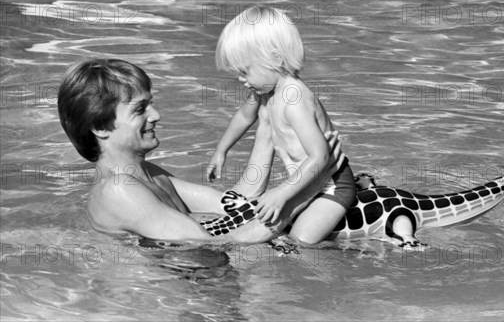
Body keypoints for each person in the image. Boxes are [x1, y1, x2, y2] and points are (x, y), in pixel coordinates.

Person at [57, 58, 344, 244]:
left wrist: (267, 127)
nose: (156, 115)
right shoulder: (118, 191)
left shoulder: (148, 175)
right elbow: (215, 243)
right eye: (140, 109)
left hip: (204, 283)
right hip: (185, 301)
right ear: (100, 127)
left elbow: (238, 205)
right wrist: (316, 186)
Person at [206, 6, 356, 244]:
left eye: (244, 72)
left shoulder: (294, 99)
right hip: (302, 181)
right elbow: (245, 115)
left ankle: (353, 250)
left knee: (301, 238)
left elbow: (319, 156)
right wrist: (221, 150)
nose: (241, 80)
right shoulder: (265, 88)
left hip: (331, 186)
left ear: (275, 60)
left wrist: (280, 193)